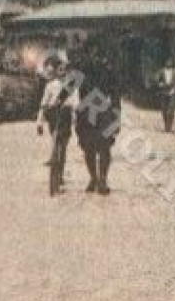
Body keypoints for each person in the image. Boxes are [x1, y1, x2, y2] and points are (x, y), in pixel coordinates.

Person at [73, 49, 122, 195]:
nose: (96, 57)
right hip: (85, 114)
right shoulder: (81, 70)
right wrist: (58, 100)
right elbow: (68, 87)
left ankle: (103, 179)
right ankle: (93, 178)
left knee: (105, 147)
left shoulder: (109, 71)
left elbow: (115, 95)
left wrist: (116, 117)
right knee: (88, 148)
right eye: (92, 53)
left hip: (103, 113)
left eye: (99, 54)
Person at [37, 55, 79, 196]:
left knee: (64, 147)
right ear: (56, 71)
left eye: (64, 70)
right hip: (54, 116)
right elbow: (43, 104)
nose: (62, 72)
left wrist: (75, 118)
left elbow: (75, 104)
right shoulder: (50, 86)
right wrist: (40, 121)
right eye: (59, 69)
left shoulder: (71, 86)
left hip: (66, 116)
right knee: (55, 142)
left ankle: (59, 174)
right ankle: (54, 166)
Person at [158, 61, 175, 133]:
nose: (169, 63)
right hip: (163, 92)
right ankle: (166, 126)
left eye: (170, 61)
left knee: (171, 110)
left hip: (172, 92)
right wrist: (160, 84)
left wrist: (174, 89)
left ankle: (169, 127)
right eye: (167, 62)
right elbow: (158, 80)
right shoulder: (161, 71)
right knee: (164, 109)